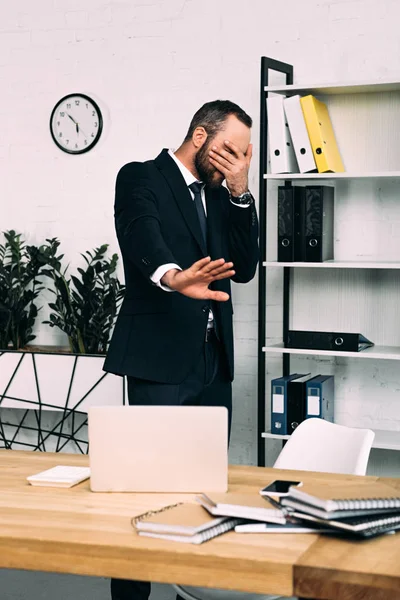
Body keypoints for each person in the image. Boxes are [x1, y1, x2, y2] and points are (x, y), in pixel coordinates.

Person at [103, 100, 259, 600]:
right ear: (200, 137)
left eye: (246, 155)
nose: (237, 162)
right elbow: (140, 234)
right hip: (160, 356)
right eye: (230, 152)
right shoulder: (140, 177)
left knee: (203, 491)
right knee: (146, 492)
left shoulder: (222, 192)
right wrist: (173, 277)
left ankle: (190, 590)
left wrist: (240, 193)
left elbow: (247, 265)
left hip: (215, 359)